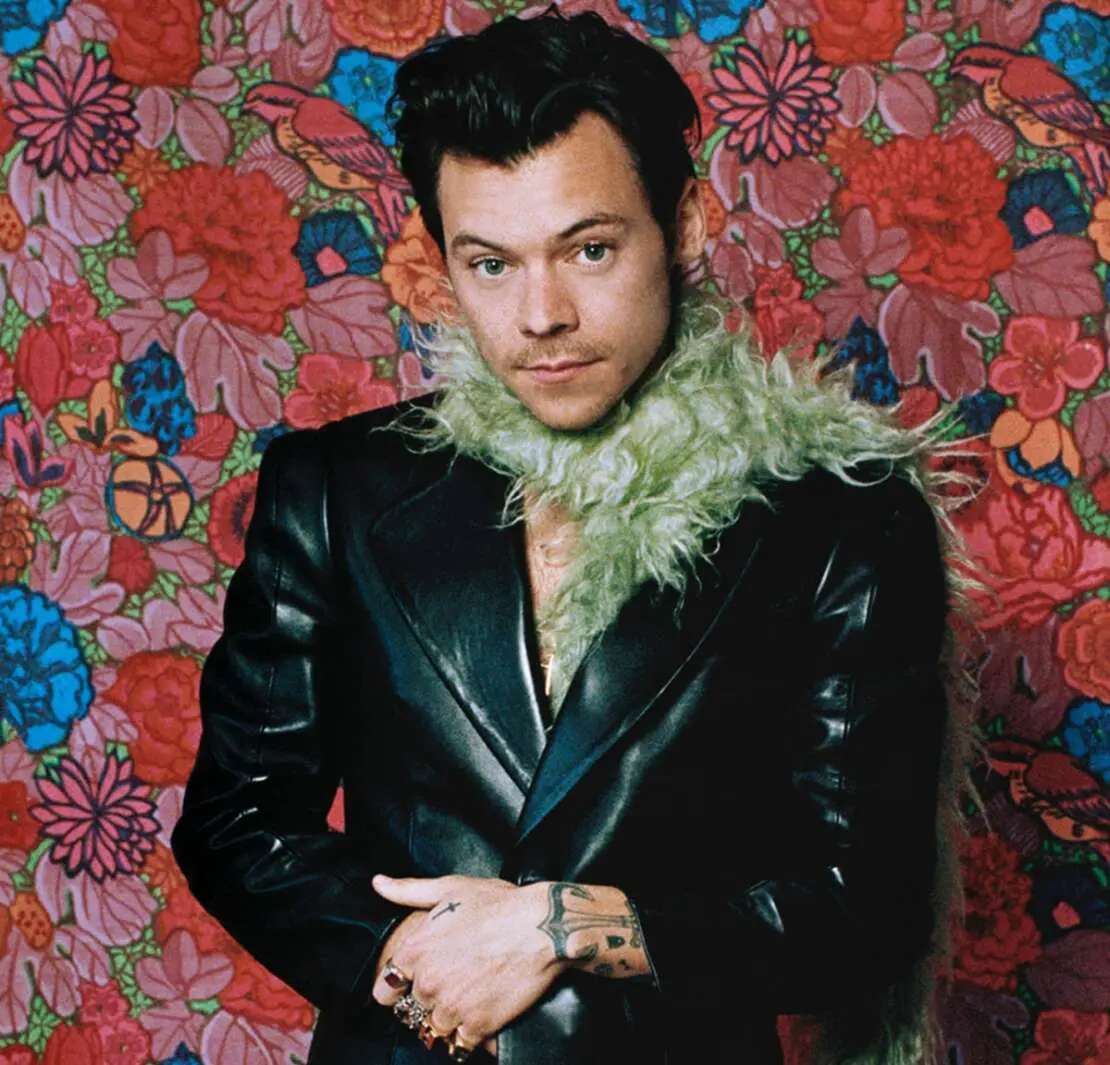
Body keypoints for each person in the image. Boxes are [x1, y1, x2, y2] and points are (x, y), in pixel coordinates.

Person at [172, 10, 966, 1065]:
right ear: (441, 262)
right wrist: (418, 969)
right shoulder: (337, 490)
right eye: (491, 264)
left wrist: (568, 928)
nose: (541, 314)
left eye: (589, 250)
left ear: (684, 226)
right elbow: (238, 823)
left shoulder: (840, 516)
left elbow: (865, 905)